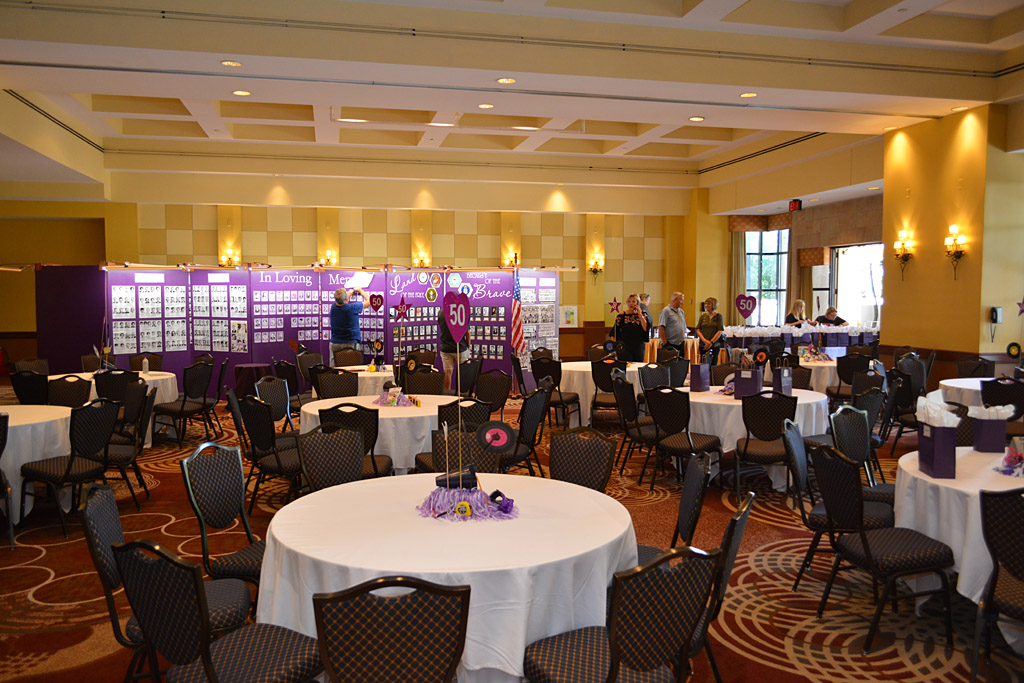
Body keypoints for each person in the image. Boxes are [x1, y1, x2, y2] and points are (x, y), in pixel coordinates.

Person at [330, 287, 371, 358]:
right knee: (353, 364)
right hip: (351, 344)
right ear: (346, 298)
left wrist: (348, 295)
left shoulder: (333, 307)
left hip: (335, 344)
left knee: (336, 365)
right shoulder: (352, 308)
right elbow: (370, 301)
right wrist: (361, 291)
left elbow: (342, 303)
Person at [438, 308, 470, 390]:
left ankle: (447, 395)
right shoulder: (462, 312)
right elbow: (467, 333)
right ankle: (464, 395)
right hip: (460, 348)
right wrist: (468, 346)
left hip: (445, 348)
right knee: (464, 374)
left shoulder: (441, 312)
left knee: (447, 373)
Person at [612, 293, 648, 362]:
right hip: (624, 347)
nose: (631, 303)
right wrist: (615, 349)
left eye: (633, 301)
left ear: (638, 303)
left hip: (638, 346)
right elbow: (614, 333)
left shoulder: (643, 314)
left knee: (637, 366)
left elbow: (646, 328)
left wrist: (640, 315)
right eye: (629, 301)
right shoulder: (621, 316)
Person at [696, 297, 724, 366]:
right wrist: (705, 341)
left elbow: (720, 331)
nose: (706, 305)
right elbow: (698, 329)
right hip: (703, 344)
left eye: (708, 304)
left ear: (714, 305)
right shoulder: (703, 316)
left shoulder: (719, 316)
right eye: (705, 304)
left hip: (714, 345)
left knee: (713, 365)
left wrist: (711, 342)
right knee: (703, 365)